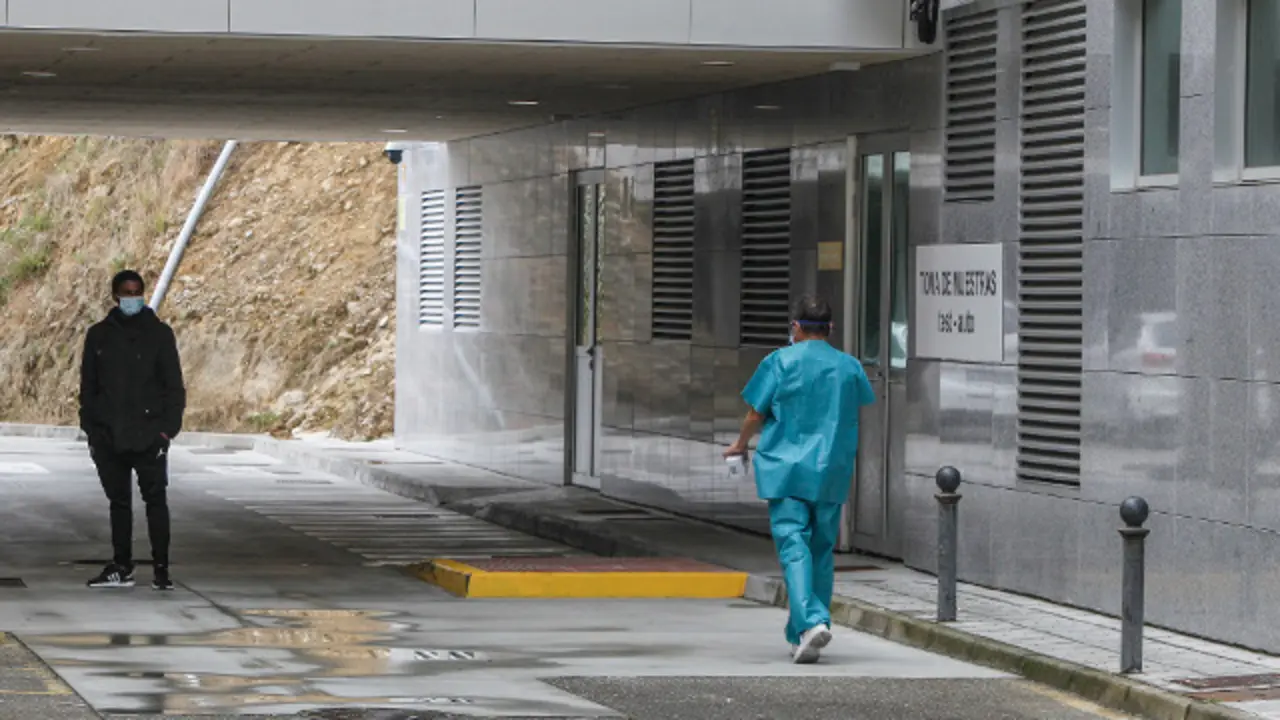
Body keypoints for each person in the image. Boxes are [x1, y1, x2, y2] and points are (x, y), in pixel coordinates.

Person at [724, 296, 875, 664]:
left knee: (794, 546)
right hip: (831, 470)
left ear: (795, 327)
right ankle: (802, 634)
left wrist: (739, 445)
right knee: (821, 550)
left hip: (786, 469)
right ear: (831, 329)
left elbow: (754, 414)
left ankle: (810, 620)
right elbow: (858, 408)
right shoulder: (849, 367)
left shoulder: (779, 361)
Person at [78, 270, 186, 591]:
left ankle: (161, 569)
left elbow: (173, 387)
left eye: (137, 292)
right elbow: (89, 387)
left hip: (150, 436)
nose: (132, 298)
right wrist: (93, 431)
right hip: (109, 437)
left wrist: (167, 431)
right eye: (126, 293)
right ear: (115, 296)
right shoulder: (98, 336)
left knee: (156, 501)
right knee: (119, 503)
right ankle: (121, 565)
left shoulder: (160, 334)